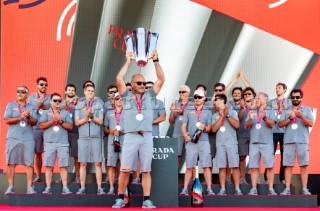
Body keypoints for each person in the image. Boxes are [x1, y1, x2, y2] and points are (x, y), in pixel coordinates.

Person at [112, 50, 164, 208]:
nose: (143, 86)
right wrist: (128, 61)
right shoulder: (126, 96)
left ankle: (146, 200)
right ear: (132, 85)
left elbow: (161, 79)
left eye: (144, 83)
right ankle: (121, 198)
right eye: (139, 83)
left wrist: (156, 60)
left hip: (147, 137)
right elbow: (119, 78)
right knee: (125, 170)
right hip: (130, 136)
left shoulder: (150, 95)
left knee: (146, 170)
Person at [279, 89, 314, 195]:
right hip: (289, 141)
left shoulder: (307, 109)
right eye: (293, 97)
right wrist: (291, 117)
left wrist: (301, 116)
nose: (295, 99)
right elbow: (280, 124)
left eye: (297, 97)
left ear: (301, 98)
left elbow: (311, 123)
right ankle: (287, 189)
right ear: (291, 98)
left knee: (304, 165)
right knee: (288, 165)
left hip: (302, 141)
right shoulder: (286, 110)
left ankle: (304, 188)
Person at [4, 85, 38, 195]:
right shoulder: (11, 105)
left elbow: (35, 122)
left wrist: (28, 117)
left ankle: (29, 187)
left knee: (29, 163)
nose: (19, 93)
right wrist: (21, 117)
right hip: (13, 137)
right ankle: (10, 186)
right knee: (11, 162)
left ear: (27, 94)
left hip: (28, 138)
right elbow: (7, 120)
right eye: (18, 91)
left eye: (23, 92)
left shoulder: (31, 106)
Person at [180, 90, 214, 196]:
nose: (197, 99)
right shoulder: (188, 110)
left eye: (199, 97)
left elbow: (210, 128)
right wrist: (185, 134)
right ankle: (185, 189)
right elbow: (183, 125)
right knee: (189, 166)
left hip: (203, 141)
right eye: (195, 97)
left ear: (204, 98)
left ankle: (209, 189)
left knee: (206, 166)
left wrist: (205, 128)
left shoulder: (208, 111)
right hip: (191, 141)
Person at [40, 93, 73, 194]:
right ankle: (48, 187)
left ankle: (65, 187)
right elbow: (42, 125)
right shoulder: (45, 113)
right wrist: (53, 120)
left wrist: (61, 122)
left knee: (63, 166)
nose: (57, 102)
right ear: (50, 102)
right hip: (49, 143)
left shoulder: (65, 113)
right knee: (49, 166)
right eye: (55, 100)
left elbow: (70, 127)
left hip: (63, 143)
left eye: (59, 101)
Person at [75, 84, 106, 195]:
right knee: (83, 163)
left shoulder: (98, 105)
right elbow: (77, 122)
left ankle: (99, 188)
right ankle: (82, 187)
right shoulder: (79, 105)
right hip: (83, 138)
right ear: (84, 91)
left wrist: (92, 117)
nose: (90, 92)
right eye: (88, 91)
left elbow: (101, 121)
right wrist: (86, 118)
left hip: (96, 137)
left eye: (92, 91)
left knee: (98, 163)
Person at [245, 92, 277, 195]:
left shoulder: (271, 110)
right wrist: (250, 119)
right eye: (256, 98)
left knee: (269, 166)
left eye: (258, 98)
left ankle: (271, 188)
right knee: (253, 167)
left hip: (266, 143)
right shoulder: (252, 111)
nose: (256, 100)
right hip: (254, 143)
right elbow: (246, 125)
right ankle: (254, 188)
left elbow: (272, 124)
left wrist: (264, 118)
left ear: (265, 100)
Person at [212, 94, 242, 195]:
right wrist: (221, 116)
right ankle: (223, 189)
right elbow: (213, 129)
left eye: (219, 101)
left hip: (232, 143)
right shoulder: (214, 115)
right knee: (221, 167)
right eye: (216, 101)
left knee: (234, 166)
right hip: (220, 144)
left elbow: (237, 125)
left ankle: (237, 188)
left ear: (224, 102)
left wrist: (227, 115)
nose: (216, 102)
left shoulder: (232, 112)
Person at [264, 83, 291, 184]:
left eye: (279, 88)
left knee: (285, 155)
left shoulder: (289, 103)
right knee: (270, 155)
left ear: (284, 90)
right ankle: (267, 179)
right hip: (273, 132)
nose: (277, 89)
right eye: (276, 88)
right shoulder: (271, 103)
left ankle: (282, 178)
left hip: (285, 132)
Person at [28, 77, 51, 182]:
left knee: (50, 151)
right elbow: (28, 112)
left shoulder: (51, 98)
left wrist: (45, 107)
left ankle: (49, 176)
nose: (44, 86)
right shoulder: (31, 98)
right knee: (37, 153)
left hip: (48, 128)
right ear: (37, 85)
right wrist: (37, 108)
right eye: (42, 84)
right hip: (36, 128)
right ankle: (37, 176)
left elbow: (55, 111)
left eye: (46, 85)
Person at [104, 92, 125, 194]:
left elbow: (132, 128)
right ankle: (112, 187)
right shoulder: (109, 113)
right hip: (112, 141)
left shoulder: (128, 112)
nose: (119, 100)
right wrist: (110, 131)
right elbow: (105, 129)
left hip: (124, 142)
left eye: (121, 99)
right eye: (117, 99)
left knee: (124, 166)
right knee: (111, 165)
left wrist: (121, 132)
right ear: (114, 100)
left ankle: (123, 189)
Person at [169, 85, 192, 166]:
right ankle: (174, 177)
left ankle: (191, 178)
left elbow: (187, 114)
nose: (181, 93)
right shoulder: (176, 105)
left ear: (188, 93)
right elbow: (171, 122)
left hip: (189, 133)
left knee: (190, 156)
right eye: (180, 92)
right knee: (176, 156)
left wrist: (176, 111)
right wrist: (172, 113)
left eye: (183, 92)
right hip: (177, 132)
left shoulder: (192, 105)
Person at [237, 87, 256, 184]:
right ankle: (242, 178)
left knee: (254, 157)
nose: (247, 95)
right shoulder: (241, 106)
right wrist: (241, 108)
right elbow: (239, 119)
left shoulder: (257, 106)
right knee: (242, 157)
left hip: (254, 135)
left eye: (249, 94)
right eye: (245, 94)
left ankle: (255, 179)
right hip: (242, 134)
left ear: (253, 95)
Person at [62, 84, 80, 183]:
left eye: (73, 90)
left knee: (76, 156)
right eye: (69, 90)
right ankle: (62, 176)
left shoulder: (78, 103)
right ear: (65, 92)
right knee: (63, 155)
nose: (71, 92)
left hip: (75, 132)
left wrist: (77, 103)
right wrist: (68, 104)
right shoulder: (60, 102)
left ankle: (77, 177)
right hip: (63, 132)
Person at [103, 85, 118, 184]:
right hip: (108, 136)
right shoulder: (105, 105)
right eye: (110, 92)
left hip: (121, 136)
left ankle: (117, 178)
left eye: (114, 91)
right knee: (108, 157)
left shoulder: (122, 103)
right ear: (108, 94)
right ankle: (109, 177)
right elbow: (104, 120)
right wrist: (109, 131)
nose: (112, 94)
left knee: (120, 159)